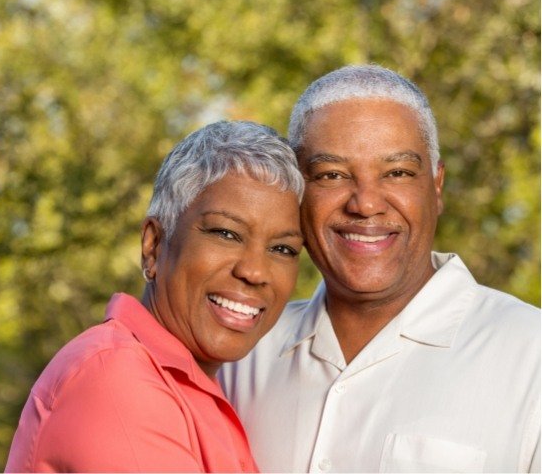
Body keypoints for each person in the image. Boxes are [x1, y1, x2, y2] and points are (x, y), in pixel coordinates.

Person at [219, 65, 541, 473]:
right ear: (296, 191)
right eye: (332, 174)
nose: (366, 203)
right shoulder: (243, 354)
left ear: (436, 186)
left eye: (397, 173)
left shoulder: (531, 356)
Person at [5, 120, 305, 472]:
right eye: (226, 233)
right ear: (154, 244)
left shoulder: (200, 389)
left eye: (283, 249)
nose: (255, 272)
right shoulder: (115, 378)